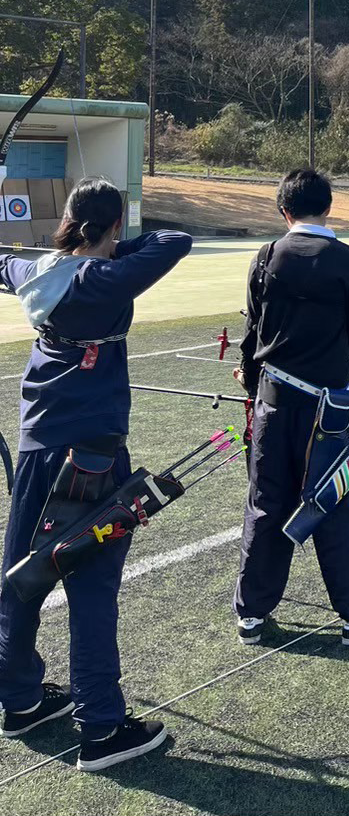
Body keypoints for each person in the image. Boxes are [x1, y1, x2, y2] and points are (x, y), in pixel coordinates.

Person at [0, 180, 191, 772]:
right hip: (92, 459)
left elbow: (4, 263)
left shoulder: (35, 271)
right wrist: (114, 246)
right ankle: (102, 727)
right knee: (91, 585)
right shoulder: (103, 278)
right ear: (110, 227)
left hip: (38, 447)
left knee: (22, 575)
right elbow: (174, 240)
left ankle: (19, 698)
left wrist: (85, 244)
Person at [234, 169, 349, 650]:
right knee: (336, 504)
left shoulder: (267, 256)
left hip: (274, 401)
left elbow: (253, 332)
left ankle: (251, 614)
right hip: (329, 407)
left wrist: (254, 376)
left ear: (284, 210)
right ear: (328, 207)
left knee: (266, 501)